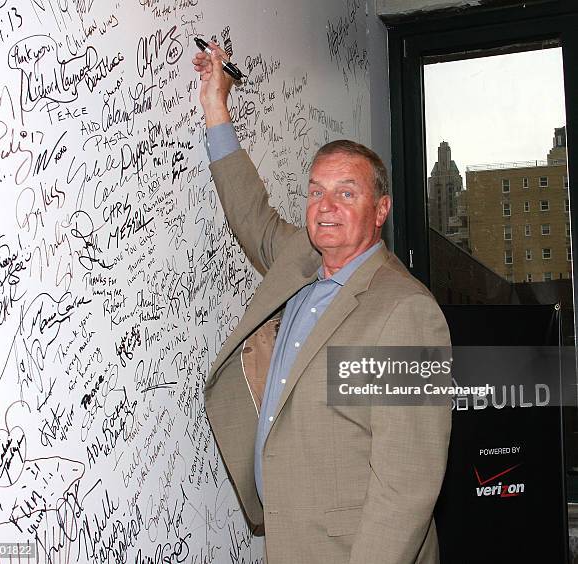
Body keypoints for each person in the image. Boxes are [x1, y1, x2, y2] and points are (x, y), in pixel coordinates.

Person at [193, 43, 451, 564]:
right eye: (315, 192)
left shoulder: (405, 312)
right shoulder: (301, 262)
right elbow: (251, 214)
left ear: (380, 210)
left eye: (346, 194)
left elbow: (407, 486)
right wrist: (216, 106)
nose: (325, 206)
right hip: (289, 543)